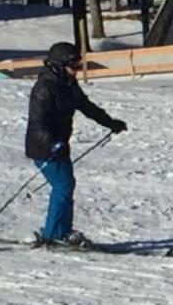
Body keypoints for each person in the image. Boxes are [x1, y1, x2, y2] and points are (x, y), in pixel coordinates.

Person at [24, 41, 128, 247]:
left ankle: (61, 231)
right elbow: (38, 122)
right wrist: (51, 143)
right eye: (74, 66)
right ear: (58, 65)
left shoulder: (68, 84)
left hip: (60, 145)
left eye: (79, 66)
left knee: (66, 186)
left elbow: (87, 106)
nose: (77, 71)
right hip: (43, 147)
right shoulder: (44, 87)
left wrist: (110, 122)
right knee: (63, 186)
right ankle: (53, 233)